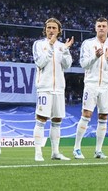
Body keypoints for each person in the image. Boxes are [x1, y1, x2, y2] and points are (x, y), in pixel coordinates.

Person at [72, 17, 108, 159]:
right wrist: (95, 56)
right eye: (99, 26)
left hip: (106, 85)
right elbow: (83, 64)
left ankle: (98, 150)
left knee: (103, 117)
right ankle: (77, 148)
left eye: (104, 26)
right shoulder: (88, 44)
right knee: (86, 115)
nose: (101, 28)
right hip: (91, 84)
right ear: (95, 28)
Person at [32, 18, 74, 161]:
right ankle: (38, 153)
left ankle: (55, 152)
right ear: (45, 30)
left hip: (59, 89)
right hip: (44, 88)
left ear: (59, 31)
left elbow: (67, 65)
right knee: (41, 119)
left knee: (57, 120)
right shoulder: (38, 44)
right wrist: (50, 47)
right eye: (48, 27)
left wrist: (66, 50)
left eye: (54, 28)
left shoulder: (62, 46)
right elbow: (40, 62)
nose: (51, 30)